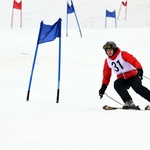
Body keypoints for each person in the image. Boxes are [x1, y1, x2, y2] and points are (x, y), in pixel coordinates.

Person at [99, 41, 150, 109]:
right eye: (107, 50)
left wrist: (139, 69)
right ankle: (129, 102)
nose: (109, 52)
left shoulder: (122, 54)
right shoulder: (107, 61)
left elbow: (134, 61)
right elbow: (106, 76)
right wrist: (103, 87)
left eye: (110, 50)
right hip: (122, 79)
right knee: (117, 84)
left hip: (132, 76)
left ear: (114, 49)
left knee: (138, 88)